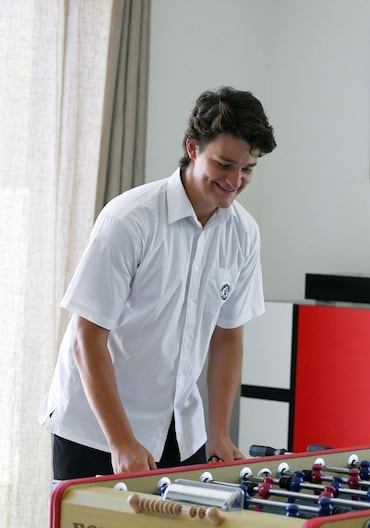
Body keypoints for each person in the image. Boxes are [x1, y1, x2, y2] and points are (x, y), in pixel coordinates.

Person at [40, 86, 277, 480]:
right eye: (224, 164)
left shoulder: (243, 233)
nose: (235, 180)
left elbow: (227, 336)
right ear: (192, 148)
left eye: (248, 169)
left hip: (180, 432)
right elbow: (87, 335)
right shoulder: (128, 220)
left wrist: (218, 432)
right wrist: (121, 442)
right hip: (96, 432)